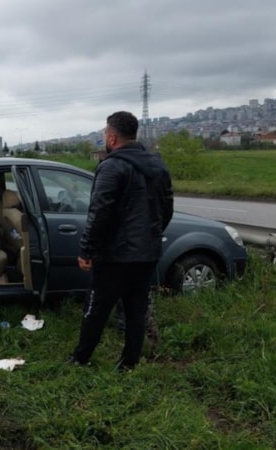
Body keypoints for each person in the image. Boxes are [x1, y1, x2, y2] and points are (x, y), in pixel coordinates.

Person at [69, 111, 174, 371]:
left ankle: (81, 358)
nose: (105, 138)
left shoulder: (112, 166)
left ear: (112, 137)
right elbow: (167, 207)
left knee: (96, 308)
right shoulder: (158, 166)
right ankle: (129, 364)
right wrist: (152, 235)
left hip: (115, 255)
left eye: (105, 134)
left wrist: (87, 249)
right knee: (135, 309)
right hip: (147, 254)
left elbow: (99, 212)